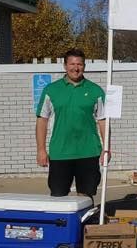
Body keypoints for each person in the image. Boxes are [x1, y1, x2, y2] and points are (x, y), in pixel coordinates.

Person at [35, 49, 107, 197]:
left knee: (86, 197)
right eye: (72, 64)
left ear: (84, 66)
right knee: (58, 196)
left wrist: (106, 149)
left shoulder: (95, 91)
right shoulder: (51, 90)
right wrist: (41, 150)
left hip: (89, 152)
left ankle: (84, 221)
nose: (76, 68)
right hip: (60, 153)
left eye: (79, 64)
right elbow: (42, 121)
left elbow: (103, 121)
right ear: (65, 66)